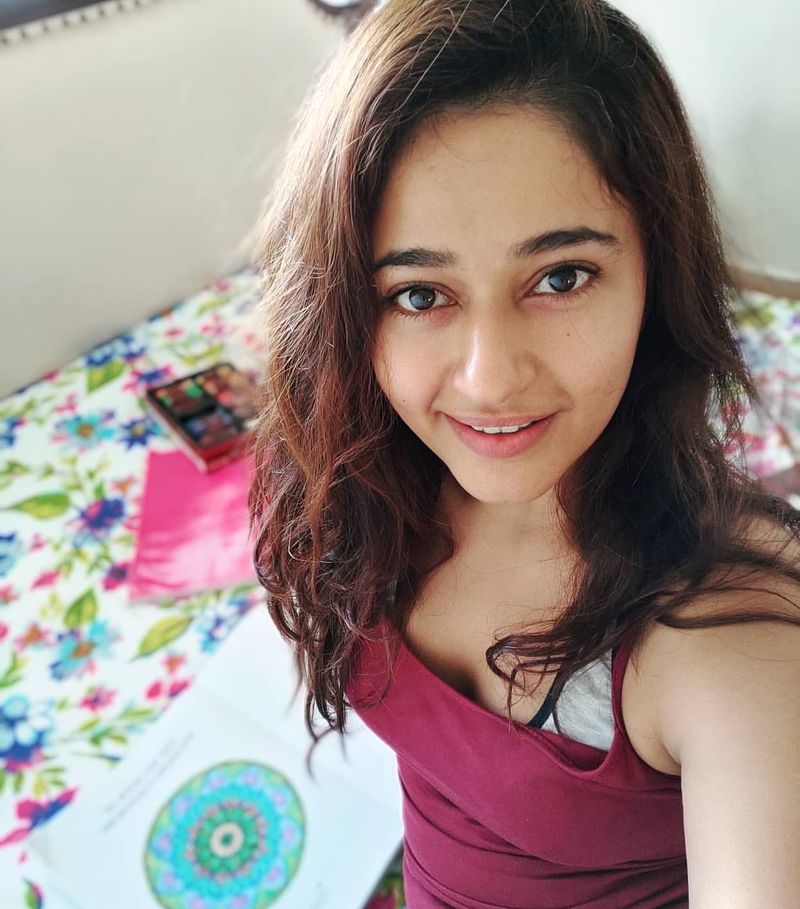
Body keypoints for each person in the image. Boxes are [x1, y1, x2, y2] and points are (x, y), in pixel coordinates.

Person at [248, 1, 800, 906]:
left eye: (560, 277)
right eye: (419, 294)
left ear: (657, 271)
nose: (490, 378)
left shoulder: (730, 632)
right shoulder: (353, 474)